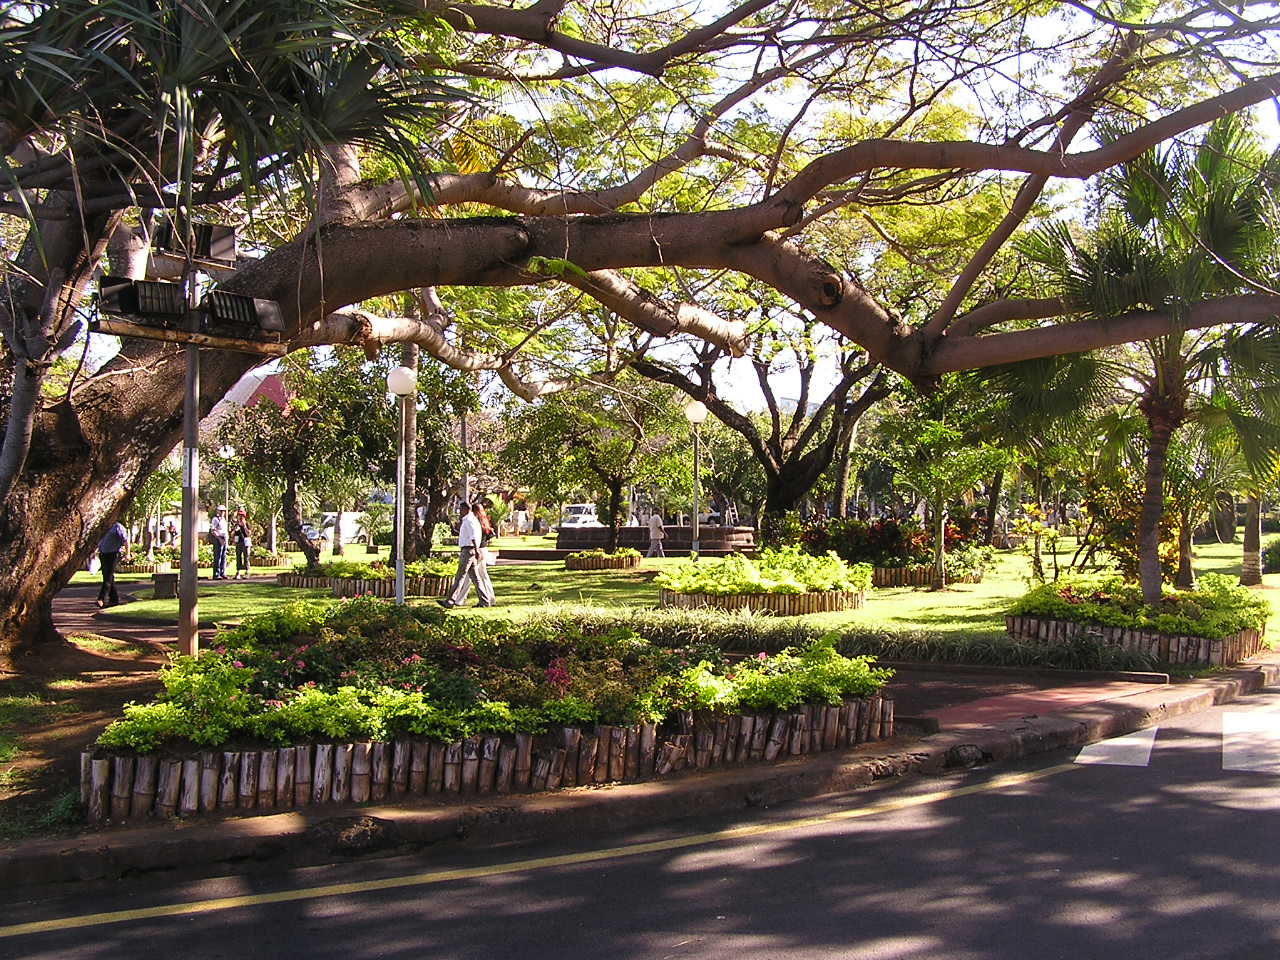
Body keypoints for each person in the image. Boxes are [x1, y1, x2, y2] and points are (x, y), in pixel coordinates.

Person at [440, 502, 496, 608]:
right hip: (470, 550)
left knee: (460, 576)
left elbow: (473, 536)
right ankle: (485, 601)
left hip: (468, 550)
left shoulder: (469, 521)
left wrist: (476, 549)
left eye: (460, 510)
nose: (459, 512)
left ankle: (450, 601)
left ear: (466, 510)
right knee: (476, 578)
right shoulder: (470, 520)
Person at [96, 520, 129, 608]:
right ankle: (114, 599)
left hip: (114, 554)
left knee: (108, 577)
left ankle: (101, 598)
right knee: (107, 576)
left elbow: (125, 540)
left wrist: (128, 553)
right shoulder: (103, 526)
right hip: (103, 553)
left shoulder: (117, 527)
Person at [209, 505, 229, 579]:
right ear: (218, 511)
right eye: (221, 511)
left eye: (223, 511)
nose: (222, 512)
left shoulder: (224, 520)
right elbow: (213, 530)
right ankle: (216, 573)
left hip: (224, 538)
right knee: (218, 556)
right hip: (218, 539)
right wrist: (219, 539)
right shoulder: (215, 519)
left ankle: (222, 572)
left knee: (224, 556)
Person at [232, 508, 252, 579]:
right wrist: (234, 530)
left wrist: (244, 526)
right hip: (239, 542)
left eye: (242, 516)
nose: (240, 517)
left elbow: (249, 534)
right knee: (238, 557)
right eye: (239, 515)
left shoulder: (247, 524)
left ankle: (247, 571)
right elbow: (233, 534)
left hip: (246, 542)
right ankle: (238, 572)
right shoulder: (236, 525)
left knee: (246, 557)